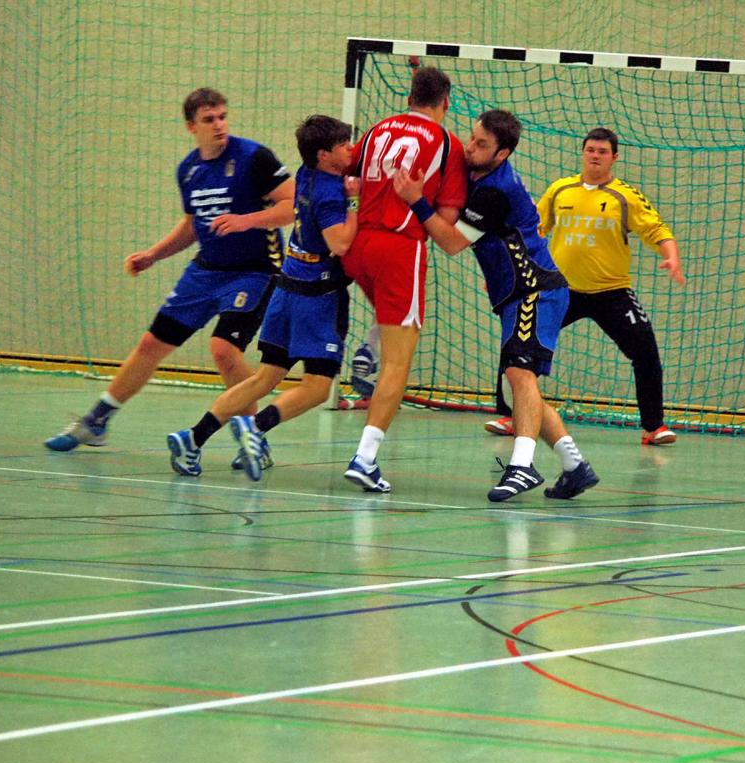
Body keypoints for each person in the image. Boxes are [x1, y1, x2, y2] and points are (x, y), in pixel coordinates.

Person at [44, 88, 294, 471]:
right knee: (151, 343)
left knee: (224, 350)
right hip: (205, 271)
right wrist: (153, 255)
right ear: (191, 127)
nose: (219, 125)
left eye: (222, 116)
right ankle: (97, 421)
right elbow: (193, 225)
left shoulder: (254, 158)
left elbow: (293, 204)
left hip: (255, 271)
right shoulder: (189, 170)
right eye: (209, 119)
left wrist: (246, 221)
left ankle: (253, 437)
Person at [394, 109, 599, 502]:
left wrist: (417, 202)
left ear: (502, 153)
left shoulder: (495, 191)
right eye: (472, 138)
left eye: (482, 144)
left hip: (535, 290)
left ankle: (522, 467)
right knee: (521, 384)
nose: (470, 147)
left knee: (520, 375)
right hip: (516, 294)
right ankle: (575, 467)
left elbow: (452, 243)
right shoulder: (475, 172)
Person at [165, 115, 359, 479]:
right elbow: (340, 243)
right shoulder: (332, 194)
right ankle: (255, 428)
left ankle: (193, 438)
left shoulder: (306, 173)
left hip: (287, 288)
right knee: (318, 387)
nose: (350, 149)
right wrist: (354, 202)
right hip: (317, 297)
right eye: (342, 145)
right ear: (324, 155)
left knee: (264, 378)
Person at [484, 127, 684, 446]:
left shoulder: (626, 196)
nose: (595, 156)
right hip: (560, 290)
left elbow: (657, 230)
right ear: (583, 153)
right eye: (591, 150)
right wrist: (504, 270)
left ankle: (653, 427)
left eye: (602, 152)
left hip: (612, 292)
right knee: (518, 342)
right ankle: (511, 416)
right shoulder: (561, 190)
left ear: (614, 157)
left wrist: (671, 256)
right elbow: (531, 229)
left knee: (645, 351)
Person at [340, 66, 468, 493]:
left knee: (391, 328)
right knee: (400, 359)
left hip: (355, 244)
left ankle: (368, 344)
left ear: (410, 98)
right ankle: (365, 457)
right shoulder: (447, 144)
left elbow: (345, 173)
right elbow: (445, 219)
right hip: (399, 247)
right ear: (445, 102)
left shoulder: (376, 130)